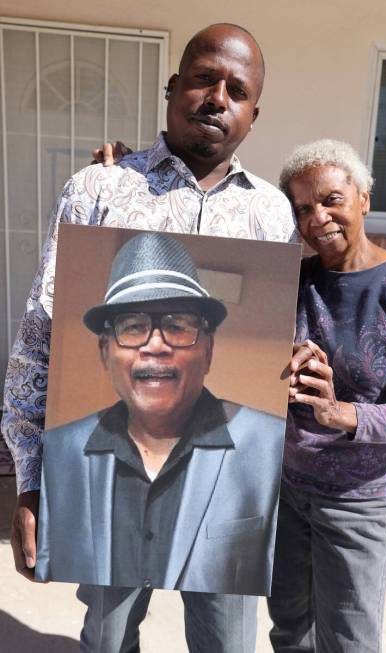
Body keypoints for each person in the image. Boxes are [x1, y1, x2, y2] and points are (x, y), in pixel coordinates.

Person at [2, 23, 296, 653]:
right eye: (202, 79)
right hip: (108, 468)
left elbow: (278, 337)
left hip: (227, 475)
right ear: (172, 89)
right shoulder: (101, 188)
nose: (218, 98)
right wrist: (29, 479)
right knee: (106, 638)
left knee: (227, 642)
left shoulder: (272, 214)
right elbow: (39, 336)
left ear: (253, 114)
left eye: (237, 90)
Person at [267, 139, 386, 652]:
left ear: (363, 198)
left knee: (349, 640)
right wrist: (126, 176)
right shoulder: (294, 279)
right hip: (286, 491)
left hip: (359, 501)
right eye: (303, 208)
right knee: (289, 631)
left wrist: (340, 412)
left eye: (331, 200)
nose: (317, 217)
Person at [36, 232, 285, 595]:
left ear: (209, 350)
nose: (156, 345)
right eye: (133, 326)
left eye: (176, 325)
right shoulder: (60, 450)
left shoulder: (271, 445)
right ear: (105, 353)